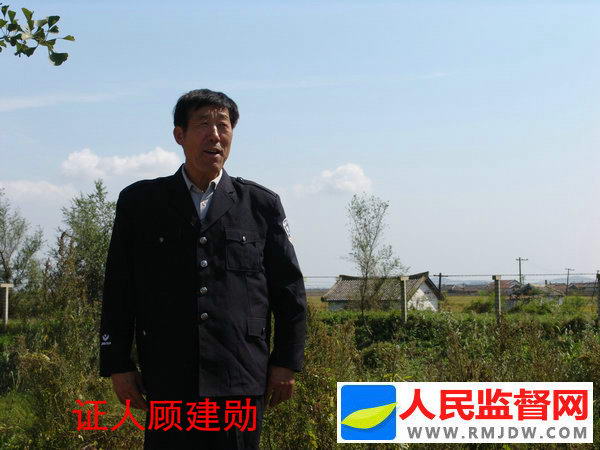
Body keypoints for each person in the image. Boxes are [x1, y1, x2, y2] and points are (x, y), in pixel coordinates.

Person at [99, 89, 307, 449]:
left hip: (240, 375)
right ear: (179, 134)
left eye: (223, 126)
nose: (215, 135)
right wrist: (118, 364)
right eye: (203, 125)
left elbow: (289, 290)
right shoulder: (141, 203)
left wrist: (286, 362)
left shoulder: (260, 204)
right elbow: (119, 289)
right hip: (168, 377)